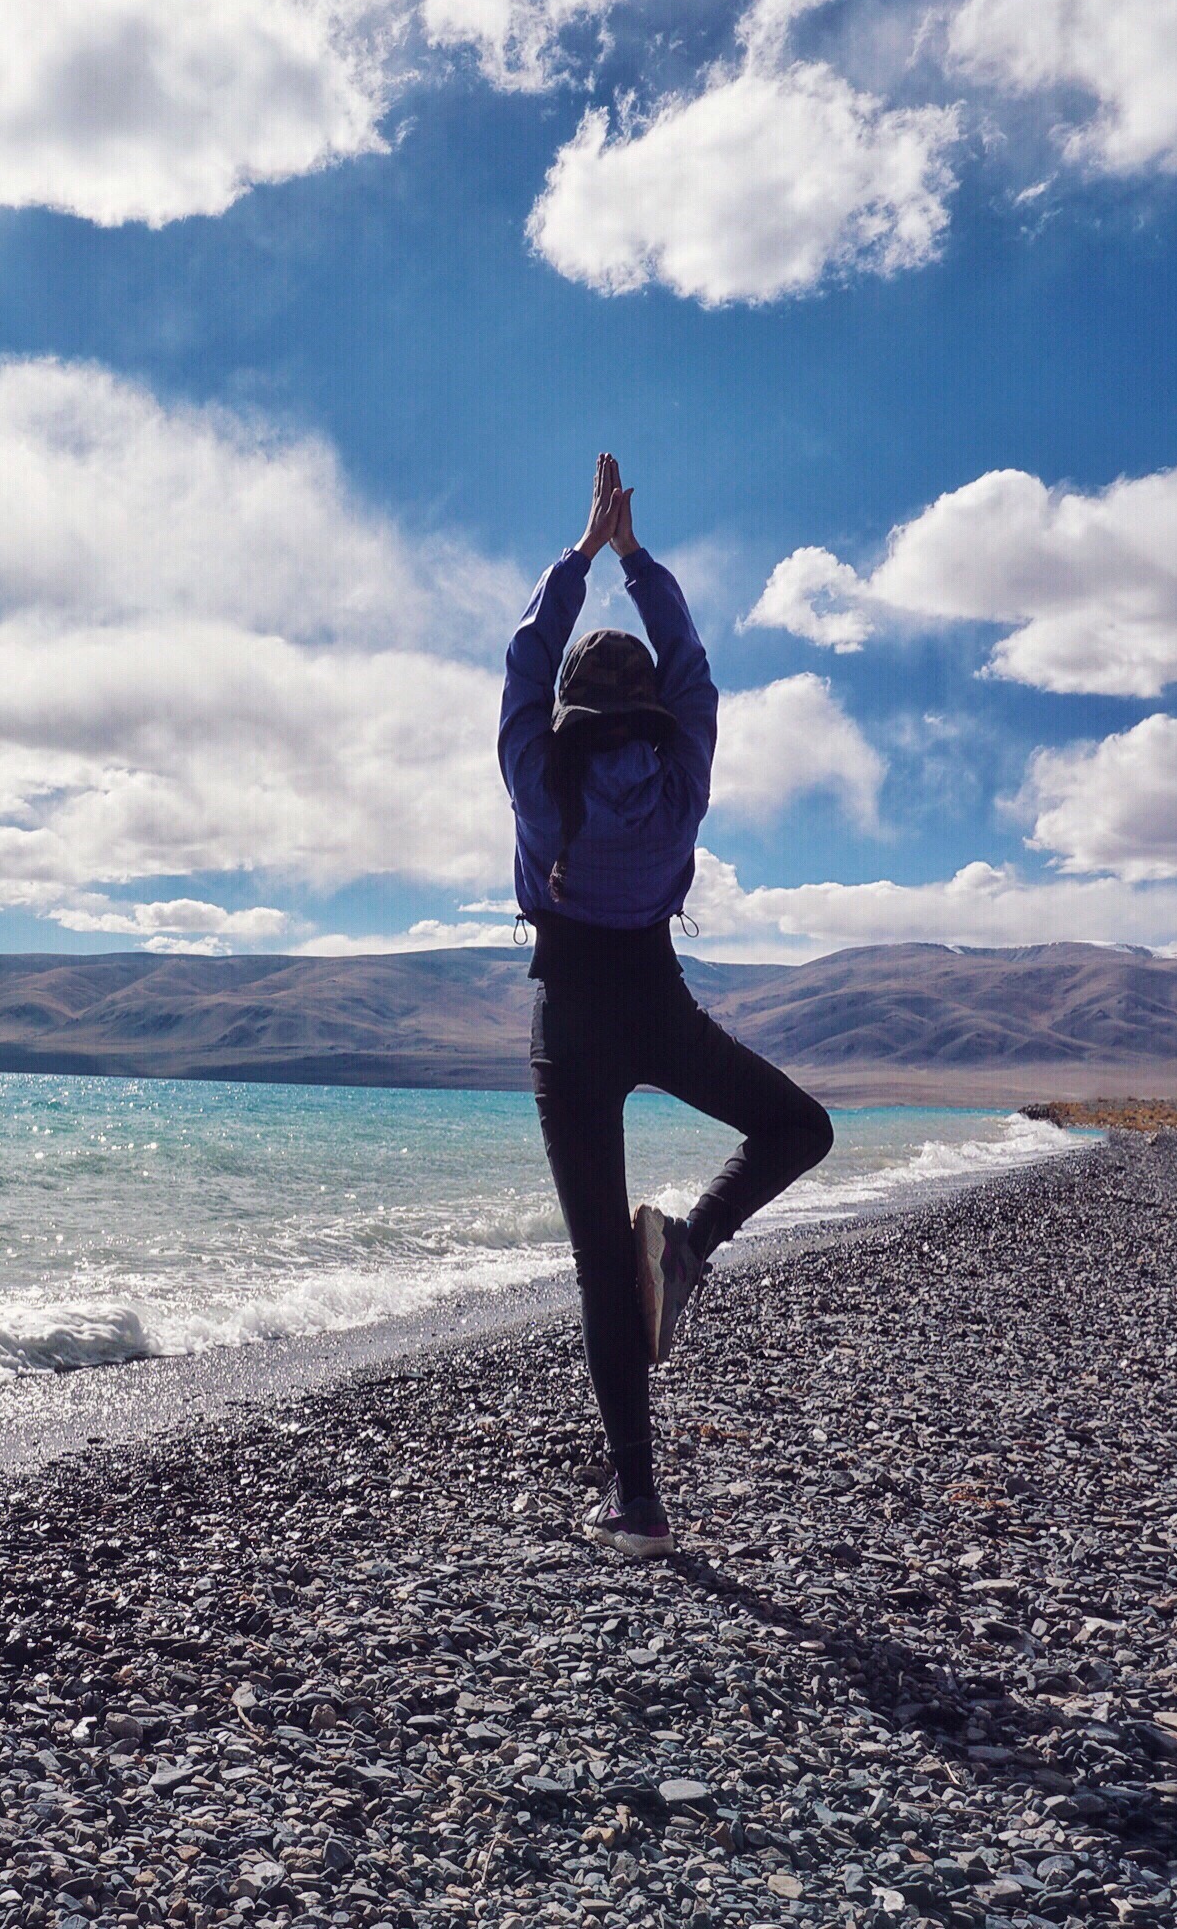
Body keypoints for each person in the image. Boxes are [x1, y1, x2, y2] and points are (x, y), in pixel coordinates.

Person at [500, 453, 834, 1557]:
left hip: (569, 1023)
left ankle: (638, 1502)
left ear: (567, 712)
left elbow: (525, 656)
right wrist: (635, 559)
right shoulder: (684, 776)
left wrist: (580, 555)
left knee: (604, 1265)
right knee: (799, 1127)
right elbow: (693, 666)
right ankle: (690, 1244)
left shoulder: (538, 779)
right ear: (650, 711)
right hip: (655, 1000)